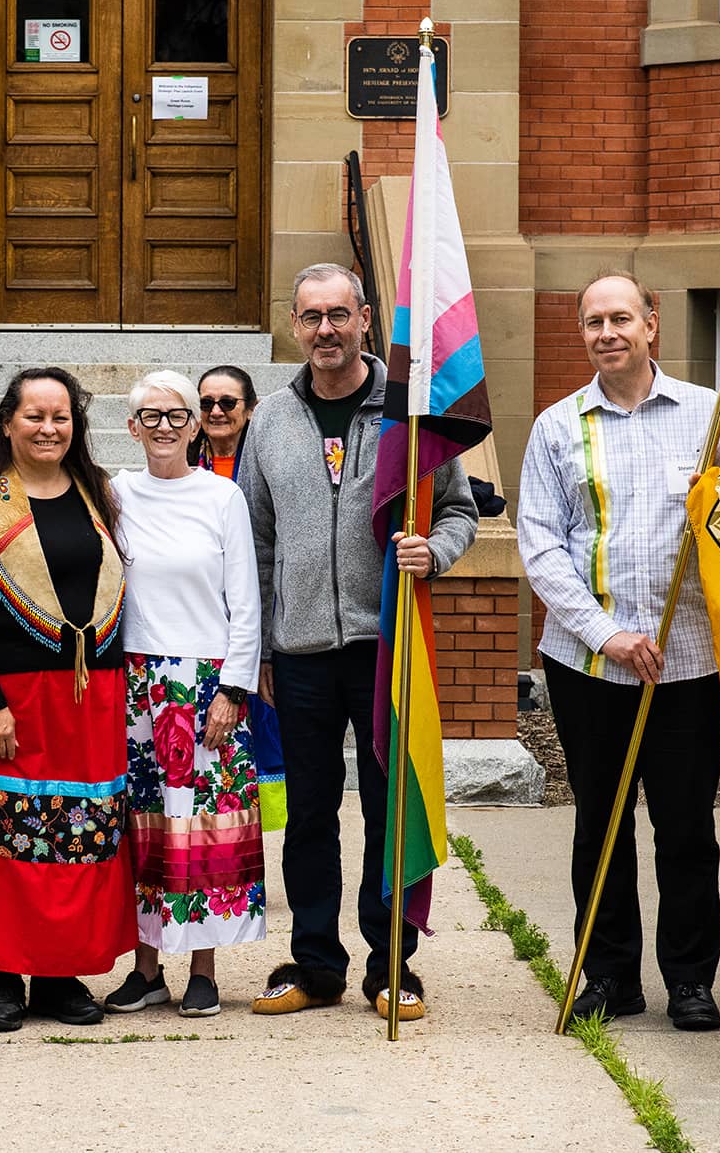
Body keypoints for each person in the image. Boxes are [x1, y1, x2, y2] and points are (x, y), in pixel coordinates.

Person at [236, 264, 477, 1022]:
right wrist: (265, 652)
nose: (326, 330)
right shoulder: (270, 419)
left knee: (386, 808)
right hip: (301, 650)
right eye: (311, 317)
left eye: (339, 314)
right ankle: (315, 964)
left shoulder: (410, 413)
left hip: (385, 645)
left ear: (366, 318)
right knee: (308, 812)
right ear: (295, 325)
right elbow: (256, 543)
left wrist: (432, 553)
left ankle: (390, 966)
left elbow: (460, 512)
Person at [517, 271, 720, 1032]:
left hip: (689, 662)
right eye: (592, 321)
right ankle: (609, 973)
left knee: (685, 826)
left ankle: (689, 979)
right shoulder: (556, 427)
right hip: (590, 665)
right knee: (601, 822)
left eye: (620, 318)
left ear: (652, 325)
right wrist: (605, 632)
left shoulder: (711, 418)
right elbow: (541, 547)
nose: (606, 332)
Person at [0, 368, 132, 1033]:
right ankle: (5, 973)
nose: (48, 428)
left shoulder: (96, 492)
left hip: (91, 695)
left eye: (60, 416)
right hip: (13, 699)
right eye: (34, 416)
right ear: (6, 423)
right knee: (8, 839)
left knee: (78, 838)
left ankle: (58, 973)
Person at [102, 370, 264, 1019]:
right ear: (132, 426)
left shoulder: (223, 496)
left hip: (205, 685)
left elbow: (246, 602)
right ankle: (146, 970)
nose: (164, 426)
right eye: (151, 415)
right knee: (147, 828)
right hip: (136, 681)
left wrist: (234, 687)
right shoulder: (115, 494)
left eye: (177, 415)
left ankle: (203, 968)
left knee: (202, 828)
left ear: (196, 425)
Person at [193, 364, 288, 833]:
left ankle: (262, 848)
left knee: (267, 742)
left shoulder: (268, 463)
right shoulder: (185, 468)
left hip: (263, 620)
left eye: (227, 403)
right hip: (206, 624)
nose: (216, 411)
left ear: (249, 410)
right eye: (206, 403)